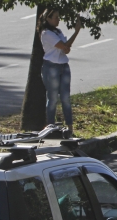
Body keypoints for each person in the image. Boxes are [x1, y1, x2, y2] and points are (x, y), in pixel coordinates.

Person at [38, 9, 82, 138]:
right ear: (48, 19)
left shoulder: (58, 32)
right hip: (51, 66)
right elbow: (64, 46)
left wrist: (66, 46)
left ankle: (70, 128)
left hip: (64, 65)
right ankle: (50, 128)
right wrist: (76, 31)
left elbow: (66, 49)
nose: (58, 20)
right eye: (56, 17)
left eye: (58, 17)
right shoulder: (46, 33)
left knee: (65, 98)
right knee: (52, 98)